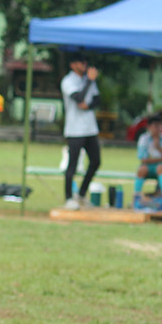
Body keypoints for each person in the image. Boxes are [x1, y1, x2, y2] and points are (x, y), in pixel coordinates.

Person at [60, 54, 101, 210]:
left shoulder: (86, 80)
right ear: (72, 65)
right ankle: (69, 197)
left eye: (85, 61)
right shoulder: (68, 81)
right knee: (73, 164)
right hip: (75, 129)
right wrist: (90, 81)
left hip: (90, 127)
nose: (84, 64)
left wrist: (88, 105)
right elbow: (78, 98)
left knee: (96, 161)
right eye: (80, 62)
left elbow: (97, 100)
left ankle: (82, 194)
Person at [134, 114, 162, 208]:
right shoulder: (144, 139)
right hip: (149, 167)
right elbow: (142, 159)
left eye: (160, 126)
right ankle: (136, 197)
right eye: (155, 126)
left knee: (161, 168)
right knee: (142, 169)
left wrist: (158, 148)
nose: (158, 129)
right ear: (149, 127)